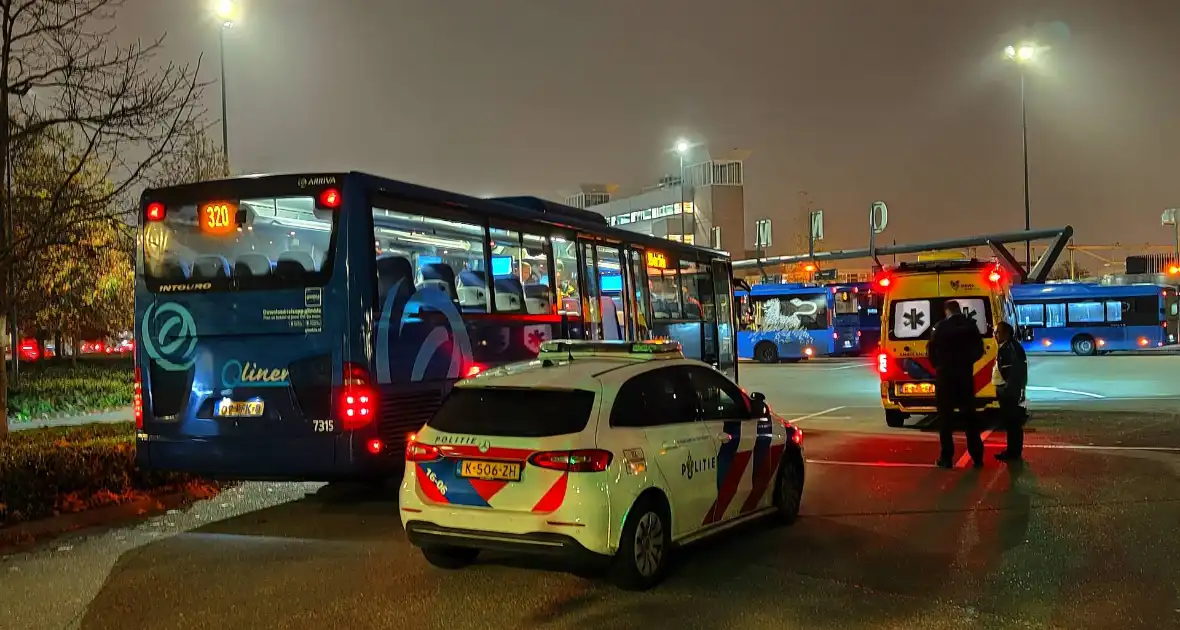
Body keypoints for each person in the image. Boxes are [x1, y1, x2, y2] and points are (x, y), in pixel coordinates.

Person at [928, 301, 986, 469]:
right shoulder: (970, 326)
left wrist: (940, 366)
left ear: (947, 311)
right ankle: (977, 457)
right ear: (958, 310)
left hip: (945, 379)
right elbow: (979, 350)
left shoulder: (940, 328)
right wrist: (966, 363)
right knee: (970, 420)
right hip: (964, 378)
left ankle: (946, 458)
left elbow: (931, 350)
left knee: (945, 421)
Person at [993, 321, 1028, 461]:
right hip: (1008, 389)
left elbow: (1015, 372)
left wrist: (1009, 389)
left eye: (997, 332)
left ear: (1006, 333)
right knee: (1011, 423)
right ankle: (1012, 451)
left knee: (1012, 423)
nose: (995, 335)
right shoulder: (1010, 346)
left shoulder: (1009, 348)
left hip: (1008, 391)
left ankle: (1013, 453)